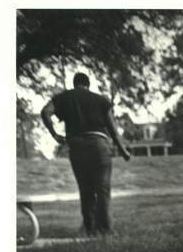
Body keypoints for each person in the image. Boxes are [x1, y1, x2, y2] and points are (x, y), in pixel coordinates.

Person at [40, 72, 131, 236]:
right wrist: (123, 151)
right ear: (88, 85)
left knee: (85, 188)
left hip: (77, 146)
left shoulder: (64, 97)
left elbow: (45, 112)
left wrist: (54, 134)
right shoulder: (101, 100)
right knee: (102, 188)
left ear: (75, 84)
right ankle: (105, 230)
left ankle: (89, 229)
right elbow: (113, 130)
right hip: (99, 145)